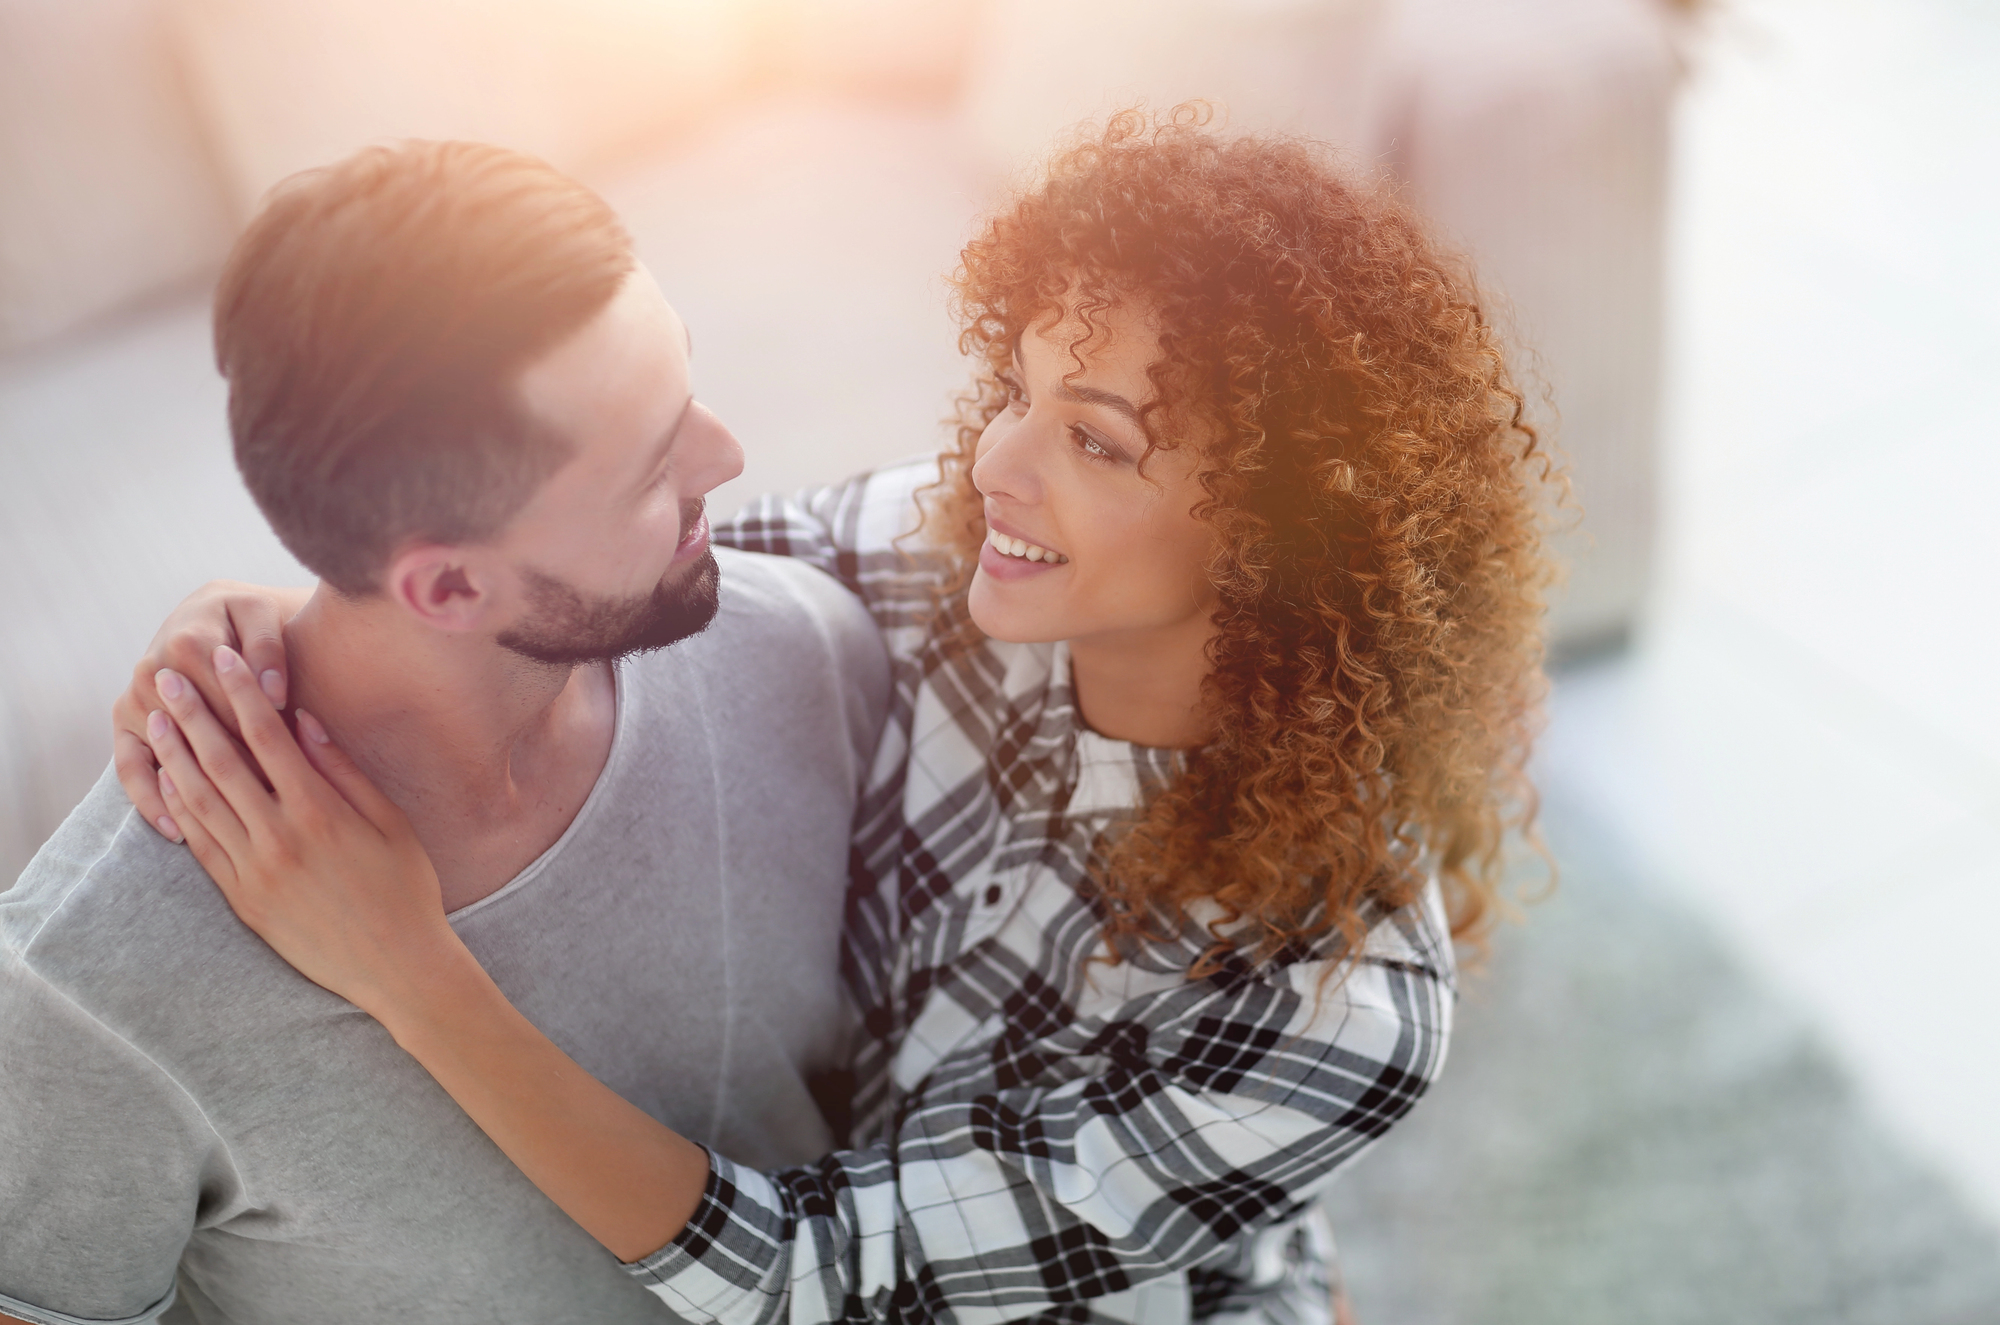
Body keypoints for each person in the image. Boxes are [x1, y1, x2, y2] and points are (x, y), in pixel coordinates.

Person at [116, 109, 1558, 1324]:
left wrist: (406, 972)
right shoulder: (930, 566)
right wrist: (296, 603)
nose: (996, 459)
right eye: (1020, 388)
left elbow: (819, 1274)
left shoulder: (1337, 1009)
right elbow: (595, 577)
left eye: (1095, 439)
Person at [0, 141, 889, 1324]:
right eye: (646, 469)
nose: (724, 457)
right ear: (447, 589)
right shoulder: (89, 982)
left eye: (687, 382)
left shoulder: (806, 656)